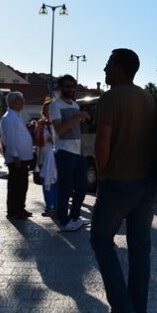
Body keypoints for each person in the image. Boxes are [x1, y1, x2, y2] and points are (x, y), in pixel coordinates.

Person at [90, 48, 157, 313]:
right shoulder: (149, 99)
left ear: (119, 68)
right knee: (140, 249)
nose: (105, 70)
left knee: (100, 239)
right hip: (148, 185)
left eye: (108, 64)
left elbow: (102, 142)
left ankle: (120, 306)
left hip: (118, 182)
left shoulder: (111, 98)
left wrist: (102, 173)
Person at [50, 75, 90, 231]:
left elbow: (76, 130)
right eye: (68, 86)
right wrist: (78, 116)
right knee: (65, 188)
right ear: (60, 88)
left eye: (73, 86)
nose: (71, 89)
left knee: (82, 187)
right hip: (64, 151)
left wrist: (83, 121)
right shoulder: (55, 105)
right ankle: (63, 221)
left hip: (77, 152)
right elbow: (59, 130)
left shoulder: (75, 104)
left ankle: (75, 217)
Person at [0, 92, 34, 220]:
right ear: (13, 102)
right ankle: (13, 211)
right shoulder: (9, 117)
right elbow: (11, 139)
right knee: (16, 185)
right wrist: (15, 156)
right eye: (21, 100)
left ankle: (20, 208)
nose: (23, 102)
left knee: (22, 184)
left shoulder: (15, 116)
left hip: (22, 157)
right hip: (17, 158)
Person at [35, 100, 58, 217]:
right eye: (46, 109)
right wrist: (39, 129)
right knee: (46, 184)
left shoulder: (59, 123)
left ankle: (57, 208)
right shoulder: (41, 125)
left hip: (57, 159)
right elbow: (38, 142)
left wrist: (54, 139)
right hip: (43, 158)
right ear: (43, 112)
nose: (49, 111)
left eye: (51, 109)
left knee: (56, 183)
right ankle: (49, 207)